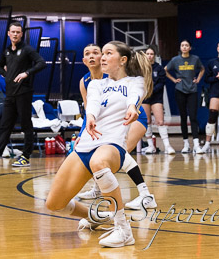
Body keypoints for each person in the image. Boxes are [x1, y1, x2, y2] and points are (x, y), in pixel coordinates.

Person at [45, 41, 152, 248]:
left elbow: (135, 96)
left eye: (108, 53)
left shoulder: (135, 81)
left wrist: (132, 106)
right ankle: (96, 217)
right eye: (102, 53)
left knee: (99, 162)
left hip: (111, 144)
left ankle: (123, 230)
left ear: (123, 60)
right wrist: (91, 116)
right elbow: (92, 103)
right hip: (85, 145)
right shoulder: (95, 84)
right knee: (54, 203)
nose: (102, 57)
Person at [75, 43, 158, 212]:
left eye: (96, 53)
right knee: (98, 153)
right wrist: (83, 133)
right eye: (87, 53)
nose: (92, 56)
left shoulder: (111, 73)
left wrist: (132, 106)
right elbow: (90, 112)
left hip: (132, 116)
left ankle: (146, 195)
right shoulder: (85, 82)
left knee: (119, 152)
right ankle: (98, 189)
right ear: (83, 60)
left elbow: (133, 93)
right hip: (108, 121)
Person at [0, 22, 46, 167]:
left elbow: (41, 63)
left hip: (24, 92)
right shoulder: (7, 51)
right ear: (8, 33)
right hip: (10, 94)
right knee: (5, 126)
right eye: (13, 32)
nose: (15, 34)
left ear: (21, 34)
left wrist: (27, 73)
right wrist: (7, 74)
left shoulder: (27, 49)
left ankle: (25, 157)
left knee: (26, 125)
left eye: (18, 32)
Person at [164, 39, 204, 153]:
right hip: (180, 90)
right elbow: (165, 70)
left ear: (190, 48)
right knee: (183, 117)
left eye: (187, 45)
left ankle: (196, 144)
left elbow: (202, 69)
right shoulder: (175, 60)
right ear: (180, 48)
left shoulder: (195, 59)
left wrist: (198, 79)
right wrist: (173, 80)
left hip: (192, 90)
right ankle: (186, 144)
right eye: (182, 45)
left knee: (193, 117)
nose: (184, 47)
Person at [140, 46, 174, 154]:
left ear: (154, 56)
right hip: (145, 98)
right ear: (145, 55)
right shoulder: (141, 68)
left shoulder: (159, 68)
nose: (149, 56)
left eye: (151, 54)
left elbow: (161, 83)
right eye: (148, 54)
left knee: (160, 121)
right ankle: (151, 146)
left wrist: (150, 91)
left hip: (156, 97)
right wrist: (144, 92)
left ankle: (167, 146)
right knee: (147, 121)